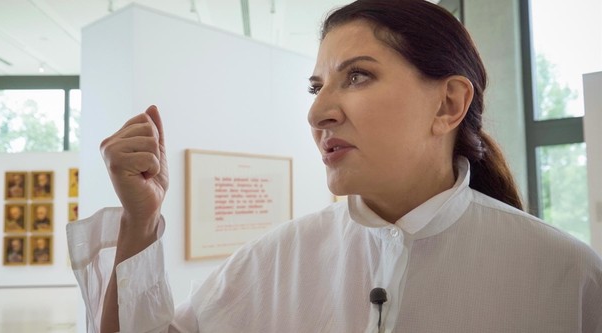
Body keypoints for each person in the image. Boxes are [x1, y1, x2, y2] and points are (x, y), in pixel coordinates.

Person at [68, 1, 602, 332]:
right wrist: (139, 221)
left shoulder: (567, 275)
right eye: (317, 86)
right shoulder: (272, 261)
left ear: (447, 105)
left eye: (358, 76)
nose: (318, 112)